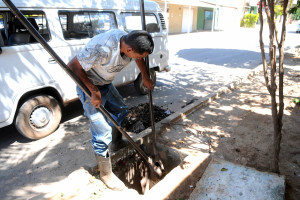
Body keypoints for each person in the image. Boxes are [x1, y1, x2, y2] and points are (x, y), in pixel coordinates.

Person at [67, 29, 154, 191]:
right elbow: (72, 65)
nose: (140, 60)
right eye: (139, 56)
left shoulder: (130, 41)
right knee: (101, 130)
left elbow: (139, 59)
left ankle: (116, 142)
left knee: (121, 109)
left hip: (105, 83)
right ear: (129, 50)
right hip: (88, 85)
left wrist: (145, 76)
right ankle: (105, 174)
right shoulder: (102, 48)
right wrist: (93, 91)